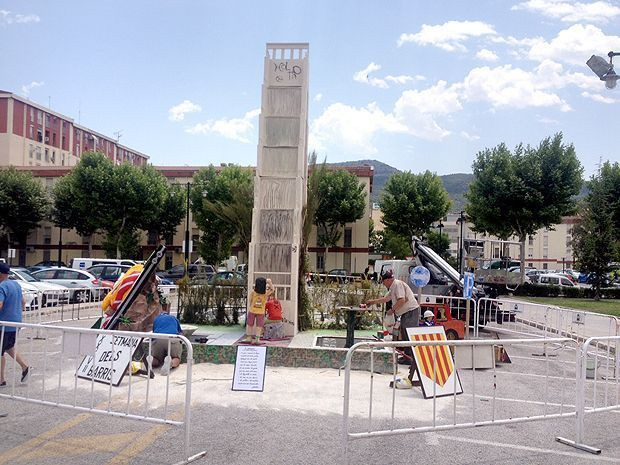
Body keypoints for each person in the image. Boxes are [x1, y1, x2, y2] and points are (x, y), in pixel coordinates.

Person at [365, 269, 421, 389]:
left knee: (409, 333)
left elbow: (402, 300)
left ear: (389, 279)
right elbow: (386, 299)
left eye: (384, 281)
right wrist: (372, 302)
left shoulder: (397, 284)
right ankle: (408, 356)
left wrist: (393, 310)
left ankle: (412, 359)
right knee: (405, 333)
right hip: (406, 312)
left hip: (411, 311)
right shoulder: (392, 288)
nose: (383, 284)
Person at [0, 263, 29, 387]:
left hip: (3, 325)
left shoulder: (1, 286)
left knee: (0, 351)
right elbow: (23, 302)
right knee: (8, 347)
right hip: (15, 323)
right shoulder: (16, 284)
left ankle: (1, 380)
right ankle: (25, 367)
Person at [150, 308, 183, 375]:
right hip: (172, 339)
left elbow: (154, 333)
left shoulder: (156, 319)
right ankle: (171, 362)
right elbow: (180, 333)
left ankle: (151, 360)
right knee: (176, 358)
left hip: (158, 339)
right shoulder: (173, 318)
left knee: (157, 359)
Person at [245, 277, 268, 344]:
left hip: (252, 310)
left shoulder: (253, 292)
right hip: (261, 312)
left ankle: (249, 338)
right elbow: (272, 289)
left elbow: (250, 301)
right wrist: (269, 282)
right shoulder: (265, 294)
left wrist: (252, 307)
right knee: (259, 326)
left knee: (250, 324)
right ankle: (257, 339)